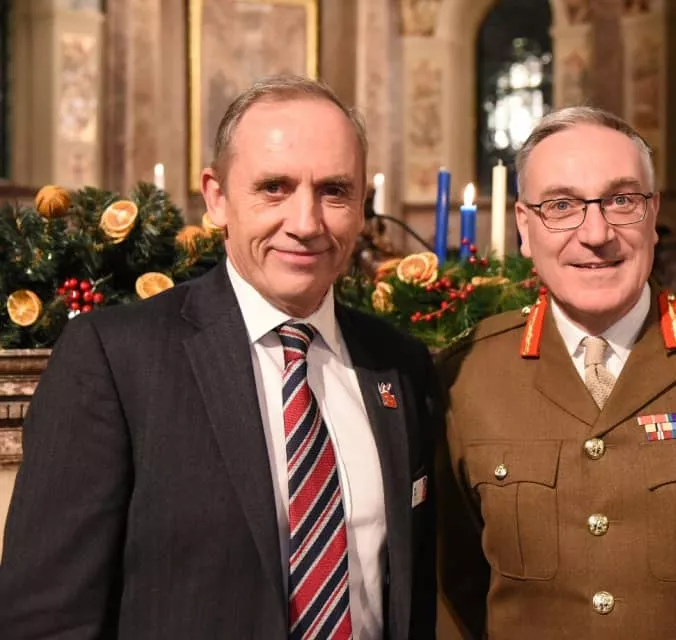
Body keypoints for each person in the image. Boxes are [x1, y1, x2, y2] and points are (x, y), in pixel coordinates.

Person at [0, 75, 439, 639]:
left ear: (360, 206)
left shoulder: (399, 365)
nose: (305, 224)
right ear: (216, 197)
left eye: (334, 191)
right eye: (274, 188)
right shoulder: (115, 361)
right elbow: (47, 619)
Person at [436, 106, 676, 640]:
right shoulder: (468, 375)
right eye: (561, 205)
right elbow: (453, 585)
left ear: (652, 214)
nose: (596, 233)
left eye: (621, 200)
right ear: (524, 226)